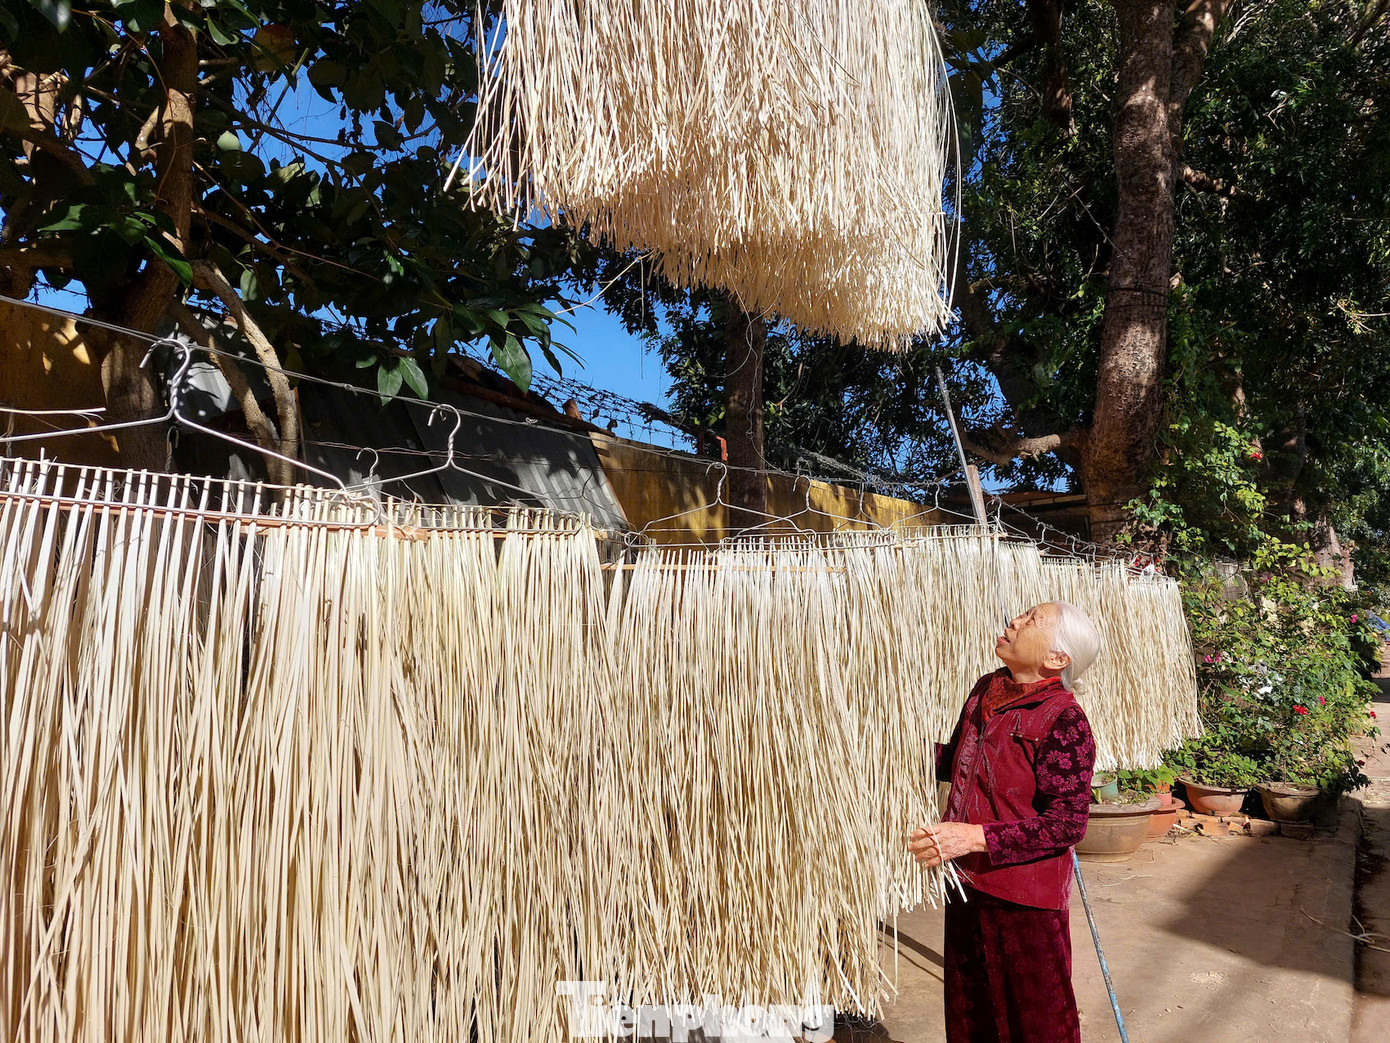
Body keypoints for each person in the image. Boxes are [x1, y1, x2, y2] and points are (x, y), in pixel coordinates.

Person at [905, 601, 1102, 1043]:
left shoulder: (1063, 719)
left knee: (1037, 1023)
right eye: (1021, 614)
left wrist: (972, 837)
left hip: (1024, 896)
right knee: (970, 1011)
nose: (1014, 621)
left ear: (1057, 659)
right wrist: (897, 745)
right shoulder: (986, 689)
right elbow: (957, 762)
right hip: (968, 883)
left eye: (1031, 620)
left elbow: (1068, 823)